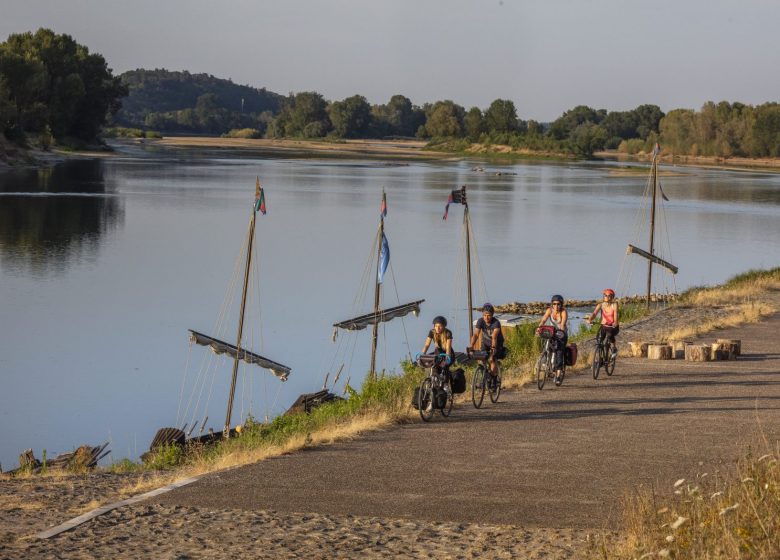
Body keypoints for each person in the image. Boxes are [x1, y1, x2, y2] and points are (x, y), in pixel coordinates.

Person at [468, 303, 505, 384]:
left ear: (492, 315)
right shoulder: (480, 321)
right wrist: (471, 346)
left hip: (497, 343)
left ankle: (494, 379)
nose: (486, 317)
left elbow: (494, 337)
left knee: (492, 359)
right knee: (482, 359)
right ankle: (485, 375)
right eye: (484, 315)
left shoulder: (496, 323)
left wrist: (493, 349)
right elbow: (476, 334)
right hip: (485, 343)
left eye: (488, 315)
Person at [538, 294, 568, 385]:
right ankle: (546, 361)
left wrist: (561, 331)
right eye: (554, 304)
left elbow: (562, 324)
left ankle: (558, 375)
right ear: (552, 304)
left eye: (558, 304)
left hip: (561, 334)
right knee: (546, 346)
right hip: (551, 333)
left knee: (559, 352)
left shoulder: (563, 312)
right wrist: (539, 328)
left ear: (561, 304)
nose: (556, 306)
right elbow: (543, 320)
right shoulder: (549, 310)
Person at [416, 316, 454, 385]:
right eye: (436, 326)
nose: (437, 328)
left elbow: (448, 347)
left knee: (444, 367)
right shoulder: (432, 332)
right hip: (438, 352)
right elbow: (426, 345)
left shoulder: (448, 333)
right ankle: (433, 381)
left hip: (447, 353)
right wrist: (422, 355)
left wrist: (447, 357)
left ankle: (446, 385)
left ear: (444, 326)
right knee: (431, 363)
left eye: (440, 326)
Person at [586, 288, 620, 357]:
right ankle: (600, 358)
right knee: (599, 338)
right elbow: (594, 313)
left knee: (610, 335)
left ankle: (614, 348)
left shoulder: (614, 305)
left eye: (609, 296)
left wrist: (615, 322)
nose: (607, 297)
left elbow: (616, 314)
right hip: (604, 326)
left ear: (612, 297)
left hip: (612, 326)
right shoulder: (600, 305)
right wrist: (590, 319)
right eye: (605, 295)